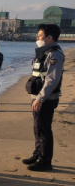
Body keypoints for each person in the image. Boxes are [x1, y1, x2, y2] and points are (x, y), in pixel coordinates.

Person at [22, 24, 64, 171]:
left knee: (44, 129)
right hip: (38, 96)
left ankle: (45, 161)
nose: (37, 38)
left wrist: (40, 99)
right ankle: (38, 153)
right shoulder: (44, 52)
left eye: (40, 36)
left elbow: (52, 79)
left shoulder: (54, 54)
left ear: (49, 38)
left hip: (46, 98)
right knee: (37, 127)